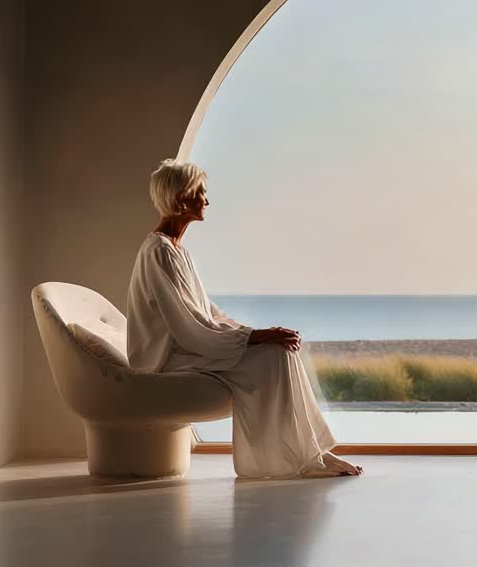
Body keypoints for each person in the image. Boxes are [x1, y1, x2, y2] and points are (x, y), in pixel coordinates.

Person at [127, 159, 362, 478]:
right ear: (182, 199)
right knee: (273, 356)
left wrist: (256, 333)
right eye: (201, 193)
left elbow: (208, 313)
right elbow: (189, 326)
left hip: (188, 347)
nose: (206, 201)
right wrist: (256, 337)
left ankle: (310, 454)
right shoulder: (159, 252)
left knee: (282, 350)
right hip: (168, 358)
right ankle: (289, 460)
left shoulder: (178, 251)